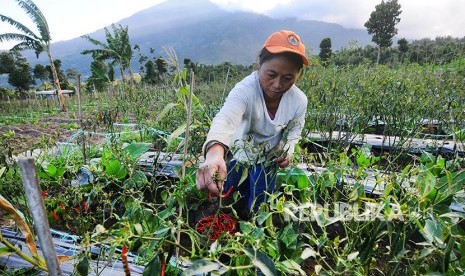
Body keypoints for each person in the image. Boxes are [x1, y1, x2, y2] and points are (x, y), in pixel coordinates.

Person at [196, 30, 309, 216]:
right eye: (271, 74)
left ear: (298, 75)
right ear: (259, 65)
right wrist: (215, 153)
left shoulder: (298, 100)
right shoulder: (245, 90)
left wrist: (288, 150)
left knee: (260, 204)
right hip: (240, 156)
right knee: (231, 198)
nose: (277, 84)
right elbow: (226, 118)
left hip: (268, 161)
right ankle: (231, 227)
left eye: (288, 78)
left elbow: (295, 129)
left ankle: (253, 234)